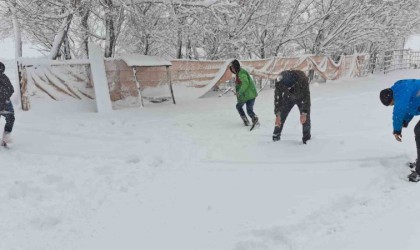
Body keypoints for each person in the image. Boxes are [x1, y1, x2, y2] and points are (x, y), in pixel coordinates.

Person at [380, 79, 420, 182]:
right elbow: (410, 107)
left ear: (391, 98)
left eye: (392, 104)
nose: (393, 105)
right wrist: (404, 122)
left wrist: (397, 130)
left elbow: (399, 111)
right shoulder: (400, 90)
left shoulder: (401, 92)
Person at [272, 69, 311, 144]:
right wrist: (278, 114)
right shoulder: (279, 81)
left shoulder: (302, 79)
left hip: (302, 97)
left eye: (290, 87)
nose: (289, 89)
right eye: (287, 88)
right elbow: (277, 98)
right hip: (288, 98)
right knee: (280, 117)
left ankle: (307, 139)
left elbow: (307, 96)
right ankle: (275, 137)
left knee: (306, 119)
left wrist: (304, 112)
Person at [229, 59, 259, 128]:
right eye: (231, 68)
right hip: (251, 94)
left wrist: (240, 92)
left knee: (239, 107)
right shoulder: (240, 72)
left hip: (246, 95)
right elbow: (241, 83)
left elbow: (245, 83)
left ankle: (246, 120)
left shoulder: (241, 73)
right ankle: (254, 118)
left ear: (236, 67)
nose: (232, 69)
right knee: (249, 110)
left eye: (233, 68)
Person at [0, 61, 15, 147]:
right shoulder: (4, 77)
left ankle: (5, 138)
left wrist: (4, 97)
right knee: (10, 118)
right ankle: (6, 137)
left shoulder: (4, 78)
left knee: (10, 118)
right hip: (5, 102)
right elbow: (11, 90)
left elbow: (11, 89)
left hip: (5, 103)